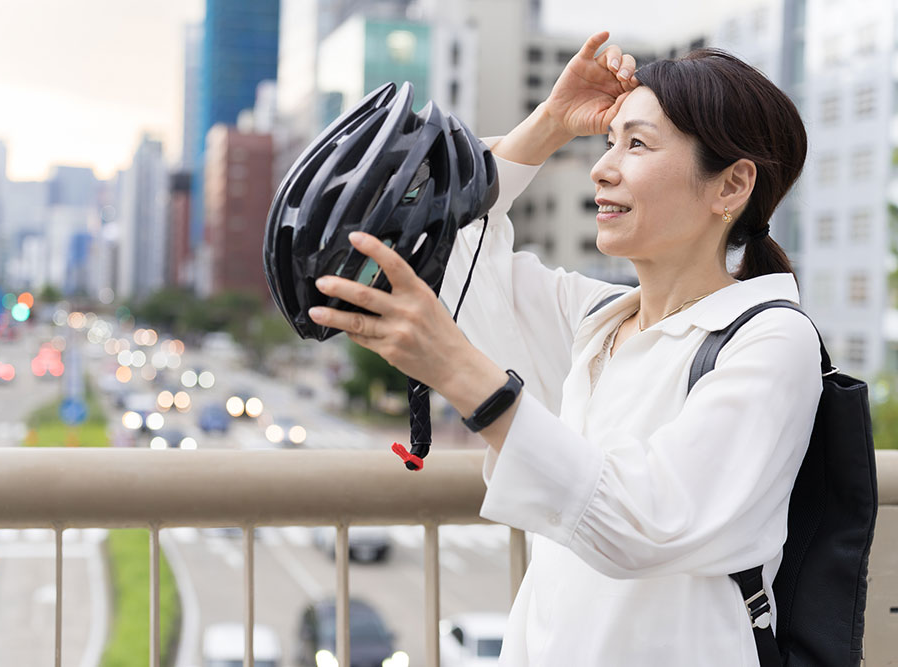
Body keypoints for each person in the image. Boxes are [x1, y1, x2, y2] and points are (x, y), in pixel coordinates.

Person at [306, 30, 822, 665]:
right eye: (609, 141)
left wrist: (469, 380)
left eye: (638, 145)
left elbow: (642, 523)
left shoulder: (771, 338)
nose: (602, 167)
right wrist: (551, 123)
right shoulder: (596, 320)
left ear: (731, 186)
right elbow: (452, 242)